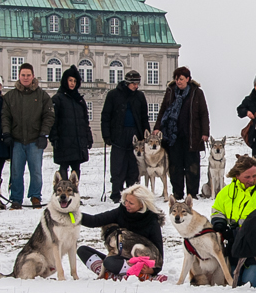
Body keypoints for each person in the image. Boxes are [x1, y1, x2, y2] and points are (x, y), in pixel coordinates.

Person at [210, 155, 256, 287]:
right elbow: (217, 211)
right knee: (229, 281)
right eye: (247, 177)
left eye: (254, 176)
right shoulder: (226, 192)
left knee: (250, 283)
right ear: (237, 175)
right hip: (235, 245)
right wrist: (219, 224)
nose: (252, 180)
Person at [77, 184, 166, 280]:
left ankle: (136, 273)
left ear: (142, 204)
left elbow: (159, 253)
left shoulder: (151, 221)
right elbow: (94, 220)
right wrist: (72, 215)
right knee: (82, 250)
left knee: (109, 262)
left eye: (131, 203)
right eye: (126, 201)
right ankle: (119, 274)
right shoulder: (121, 212)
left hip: (140, 260)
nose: (126, 205)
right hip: (120, 259)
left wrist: (152, 270)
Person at [1, 63, 54, 209]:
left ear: (33, 76)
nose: (25, 78)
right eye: (23, 75)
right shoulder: (10, 96)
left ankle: (35, 196)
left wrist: (44, 134)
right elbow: (5, 116)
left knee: (36, 171)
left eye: (28, 75)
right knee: (16, 172)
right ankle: (16, 198)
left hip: (35, 140)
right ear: (19, 76)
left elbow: (49, 116)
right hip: (17, 140)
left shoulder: (42, 96)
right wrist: (6, 133)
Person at [155, 66, 210, 199]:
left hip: (192, 135)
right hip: (173, 136)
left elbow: (203, 113)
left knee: (192, 166)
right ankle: (178, 193)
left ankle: (192, 193)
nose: (178, 81)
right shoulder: (170, 92)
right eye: (176, 79)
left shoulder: (197, 92)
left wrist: (205, 132)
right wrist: (157, 127)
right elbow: (163, 110)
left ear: (188, 79)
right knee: (175, 167)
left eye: (181, 79)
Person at [101, 70, 148, 202]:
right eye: (134, 83)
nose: (136, 86)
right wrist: (106, 135)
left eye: (137, 83)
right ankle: (116, 193)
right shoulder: (113, 95)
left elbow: (144, 117)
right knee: (118, 166)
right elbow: (106, 116)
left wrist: (145, 135)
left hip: (135, 133)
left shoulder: (140, 96)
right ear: (127, 82)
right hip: (118, 134)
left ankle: (132, 193)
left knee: (133, 167)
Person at [49, 65, 93, 180]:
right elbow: (53, 121)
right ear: (65, 81)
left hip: (78, 141)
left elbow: (84, 121)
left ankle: (74, 194)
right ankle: (64, 193)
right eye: (70, 80)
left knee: (76, 168)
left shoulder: (79, 100)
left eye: (75, 81)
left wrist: (88, 136)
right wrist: (54, 138)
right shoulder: (57, 99)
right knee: (63, 167)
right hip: (63, 141)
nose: (72, 83)